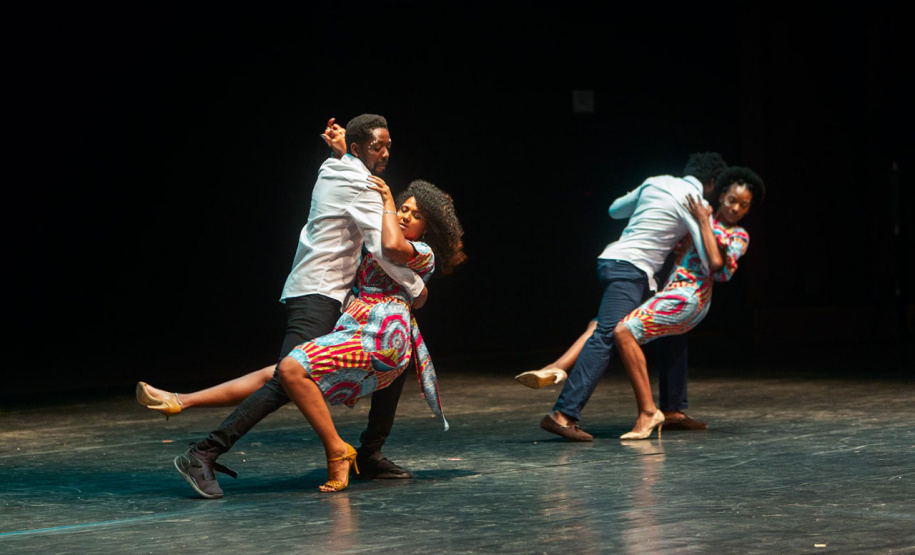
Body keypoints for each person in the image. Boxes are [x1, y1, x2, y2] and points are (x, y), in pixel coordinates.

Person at [166, 114, 431, 499]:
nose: (386, 152)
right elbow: (388, 248)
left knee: (389, 361)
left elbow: (351, 176)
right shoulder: (361, 184)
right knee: (285, 380)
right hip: (322, 292)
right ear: (359, 150)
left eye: (389, 145)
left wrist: (342, 149)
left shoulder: (334, 166)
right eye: (378, 146)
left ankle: (369, 454)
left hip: (328, 294)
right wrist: (418, 286)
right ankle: (204, 451)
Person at [275, 177, 465, 491]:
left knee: (293, 370)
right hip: (365, 322)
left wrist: (389, 199)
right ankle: (368, 455)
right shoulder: (382, 241)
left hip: (385, 331)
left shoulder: (421, 251)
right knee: (291, 375)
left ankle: (357, 452)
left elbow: (392, 247)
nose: (404, 216)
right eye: (403, 209)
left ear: (428, 228)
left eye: (415, 215)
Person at [538, 153, 727, 442]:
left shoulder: (656, 181)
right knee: (606, 334)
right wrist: (701, 222)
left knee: (672, 325)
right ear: (711, 184)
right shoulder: (696, 200)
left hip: (614, 261)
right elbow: (706, 255)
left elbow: (614, 211)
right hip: (633, 270)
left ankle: (673, 410)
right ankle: (563, 414)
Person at [614, 166, 764, 439]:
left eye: (744, 205)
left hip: (689, 297)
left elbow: (718, 268)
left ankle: (648, 413)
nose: (736, 209)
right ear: (721, 197)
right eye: (732, 201)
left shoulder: (739, 235)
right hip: (670, 289)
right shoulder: (697, 218)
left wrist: (704, 222)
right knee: (657, 338)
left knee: (622, 331)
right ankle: (671, 412)